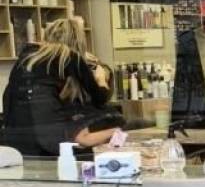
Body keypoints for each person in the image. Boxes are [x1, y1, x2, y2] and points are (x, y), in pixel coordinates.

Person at [0, 18, 121, 156]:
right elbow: (100, 98)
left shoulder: (27, 58)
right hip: (49, 146)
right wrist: (100, 79)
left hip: (16, 145)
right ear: (79, 43)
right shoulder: (70, 57)